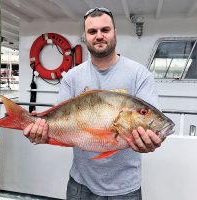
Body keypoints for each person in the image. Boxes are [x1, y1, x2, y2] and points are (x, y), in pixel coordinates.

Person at [24, 7, 164, 200]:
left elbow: (152, 122)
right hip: (80, 185)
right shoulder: (71, 77)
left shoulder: (140, 74)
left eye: (105, 30)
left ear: (115, 32)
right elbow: (59, 123)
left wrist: (152, 140)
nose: (99, 36)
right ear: (85, 36)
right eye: (92, 31)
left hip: (126, 189)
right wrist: (42, 134)